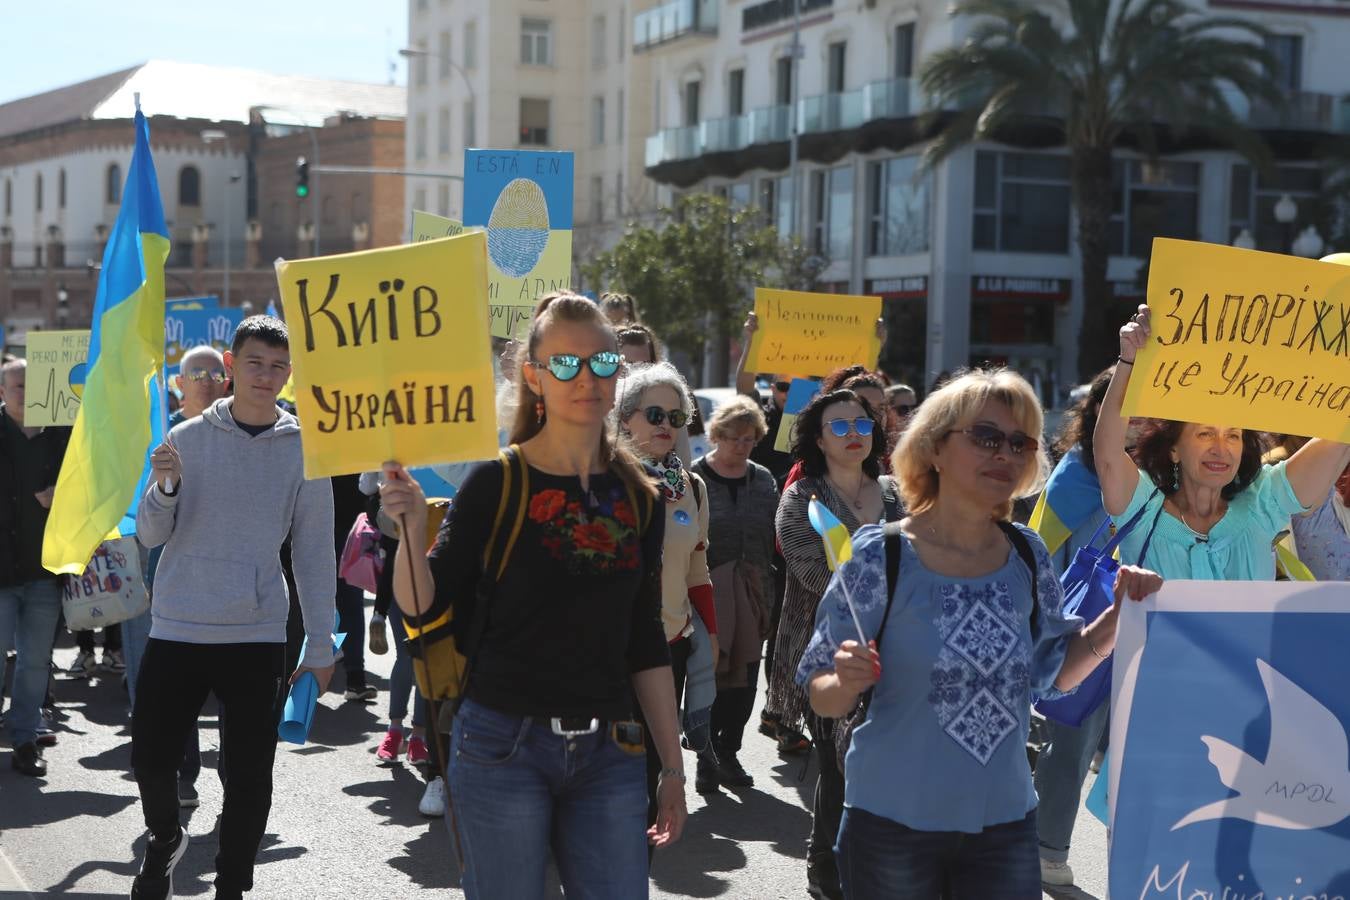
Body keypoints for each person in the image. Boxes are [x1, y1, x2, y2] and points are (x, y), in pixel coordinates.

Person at [798, 368, 1164, 899]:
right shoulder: (882, 555)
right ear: (935, 448)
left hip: (1006, 826)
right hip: (893, 824)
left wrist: (1118, 621)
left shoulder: (1027, 553)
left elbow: (1053, 674)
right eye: (987, 437)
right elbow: (819, 691)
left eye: (1020, 442)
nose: (1006, 454)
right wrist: (845, 682)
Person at [380, 292, 686, 899]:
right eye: (565, 364)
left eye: (601, 363)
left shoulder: (640, 495)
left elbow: (644, 638)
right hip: (500, 745)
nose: (586, 378)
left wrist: (673, 769)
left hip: (612, 751)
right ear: (534, 376)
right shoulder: (495, 481)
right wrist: (412, 530)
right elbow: (422, 606)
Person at [130, 316, 337, 900]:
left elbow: (315, 552)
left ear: (289, 372)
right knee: (150, 757)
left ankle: (233, 884)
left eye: (277, 366)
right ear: (230, 365)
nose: (266, 376)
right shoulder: (186, 438)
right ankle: (166, 837)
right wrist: (164, 487)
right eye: (255, 363)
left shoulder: (305, 448)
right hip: (178, 626)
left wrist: (319, 643)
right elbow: (148, 534)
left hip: (257, 632)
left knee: (248, 775)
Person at [1096, 306, 1350, 583]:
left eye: (1233, 436)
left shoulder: (1261, 503)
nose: (1221, 448)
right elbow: (1107, 455)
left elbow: (1337, 436)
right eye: (1205, 434)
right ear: (1174, 449)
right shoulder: (1142, 508)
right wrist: (1129, 361)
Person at [768, 388, 903, 900]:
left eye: (862, 425)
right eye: (840, 427)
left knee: (876, 761)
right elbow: (807, 568)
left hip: (896, 648)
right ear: (818, 440)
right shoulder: (802, 497)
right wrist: (883, 596)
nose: (853, 435)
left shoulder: (897, 492)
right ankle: (825, 867)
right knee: (836, 763)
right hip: (824, 648)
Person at [123, 344, 232, 809]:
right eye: (195, 373)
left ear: (224, 380)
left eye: (212, 371)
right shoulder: (161, 435)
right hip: (174, 581)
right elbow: (147, 517)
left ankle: (237, 776)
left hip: (233, 588)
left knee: (236, 694)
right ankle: (185, 774)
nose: (205, 379)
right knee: (179, 691)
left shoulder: (243, 432)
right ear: (178, 384)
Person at [614, 361, 716, 848]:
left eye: (677, 418)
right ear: (624, 417)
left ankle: (632, 869)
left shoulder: (691, 487)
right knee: (608, 776)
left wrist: (710, 638)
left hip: (669, 648)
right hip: (607, 653)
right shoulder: (603, 483)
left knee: (653, 771)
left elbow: (697, 568)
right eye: (654, 413)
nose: (665, 426)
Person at [1028, 366, 1115, 887]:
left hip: (1147, 625)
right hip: (1082, 629)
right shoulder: (1075, 474)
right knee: (1073, 743)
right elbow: (1043, 549)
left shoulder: (1166, 474)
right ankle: (1047, 848)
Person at [692, 397, 779, 793]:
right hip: (705, 593)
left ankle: (729, 750)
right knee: (708, 678)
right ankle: (705, 755)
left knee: (744, 679)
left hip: (753, 591)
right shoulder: (695, 477)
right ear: (716, 435)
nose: (740, 445)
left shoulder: (763, 480)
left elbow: (771, 535)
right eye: (732, 438)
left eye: (749, 438)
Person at [0, 357, 69, 777]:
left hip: (45, 570)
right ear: (3, 392)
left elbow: (85, 484)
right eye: (18, 386)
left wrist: (62, 492)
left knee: (35, 662)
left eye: (32, 385)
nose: (27, 393)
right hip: (1, 572)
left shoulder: (62, 436)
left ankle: (24, 737)